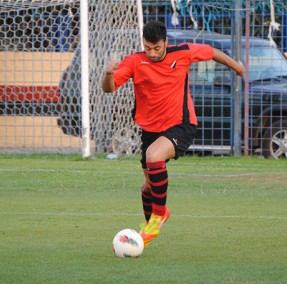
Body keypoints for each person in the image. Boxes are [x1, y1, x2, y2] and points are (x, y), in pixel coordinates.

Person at [101, 21, 244, 247]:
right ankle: (147, 232)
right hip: (150, 129)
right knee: (148, 185)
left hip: (181, 124)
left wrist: (237, 66)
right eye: (148, 48)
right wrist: (108, 73)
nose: (152, 53)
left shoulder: (183, 53)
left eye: (157, 48)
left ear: (166, 42)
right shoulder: (135, 61)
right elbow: (109, 88)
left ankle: (159, 215)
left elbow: (212, 53)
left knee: (154, 155)